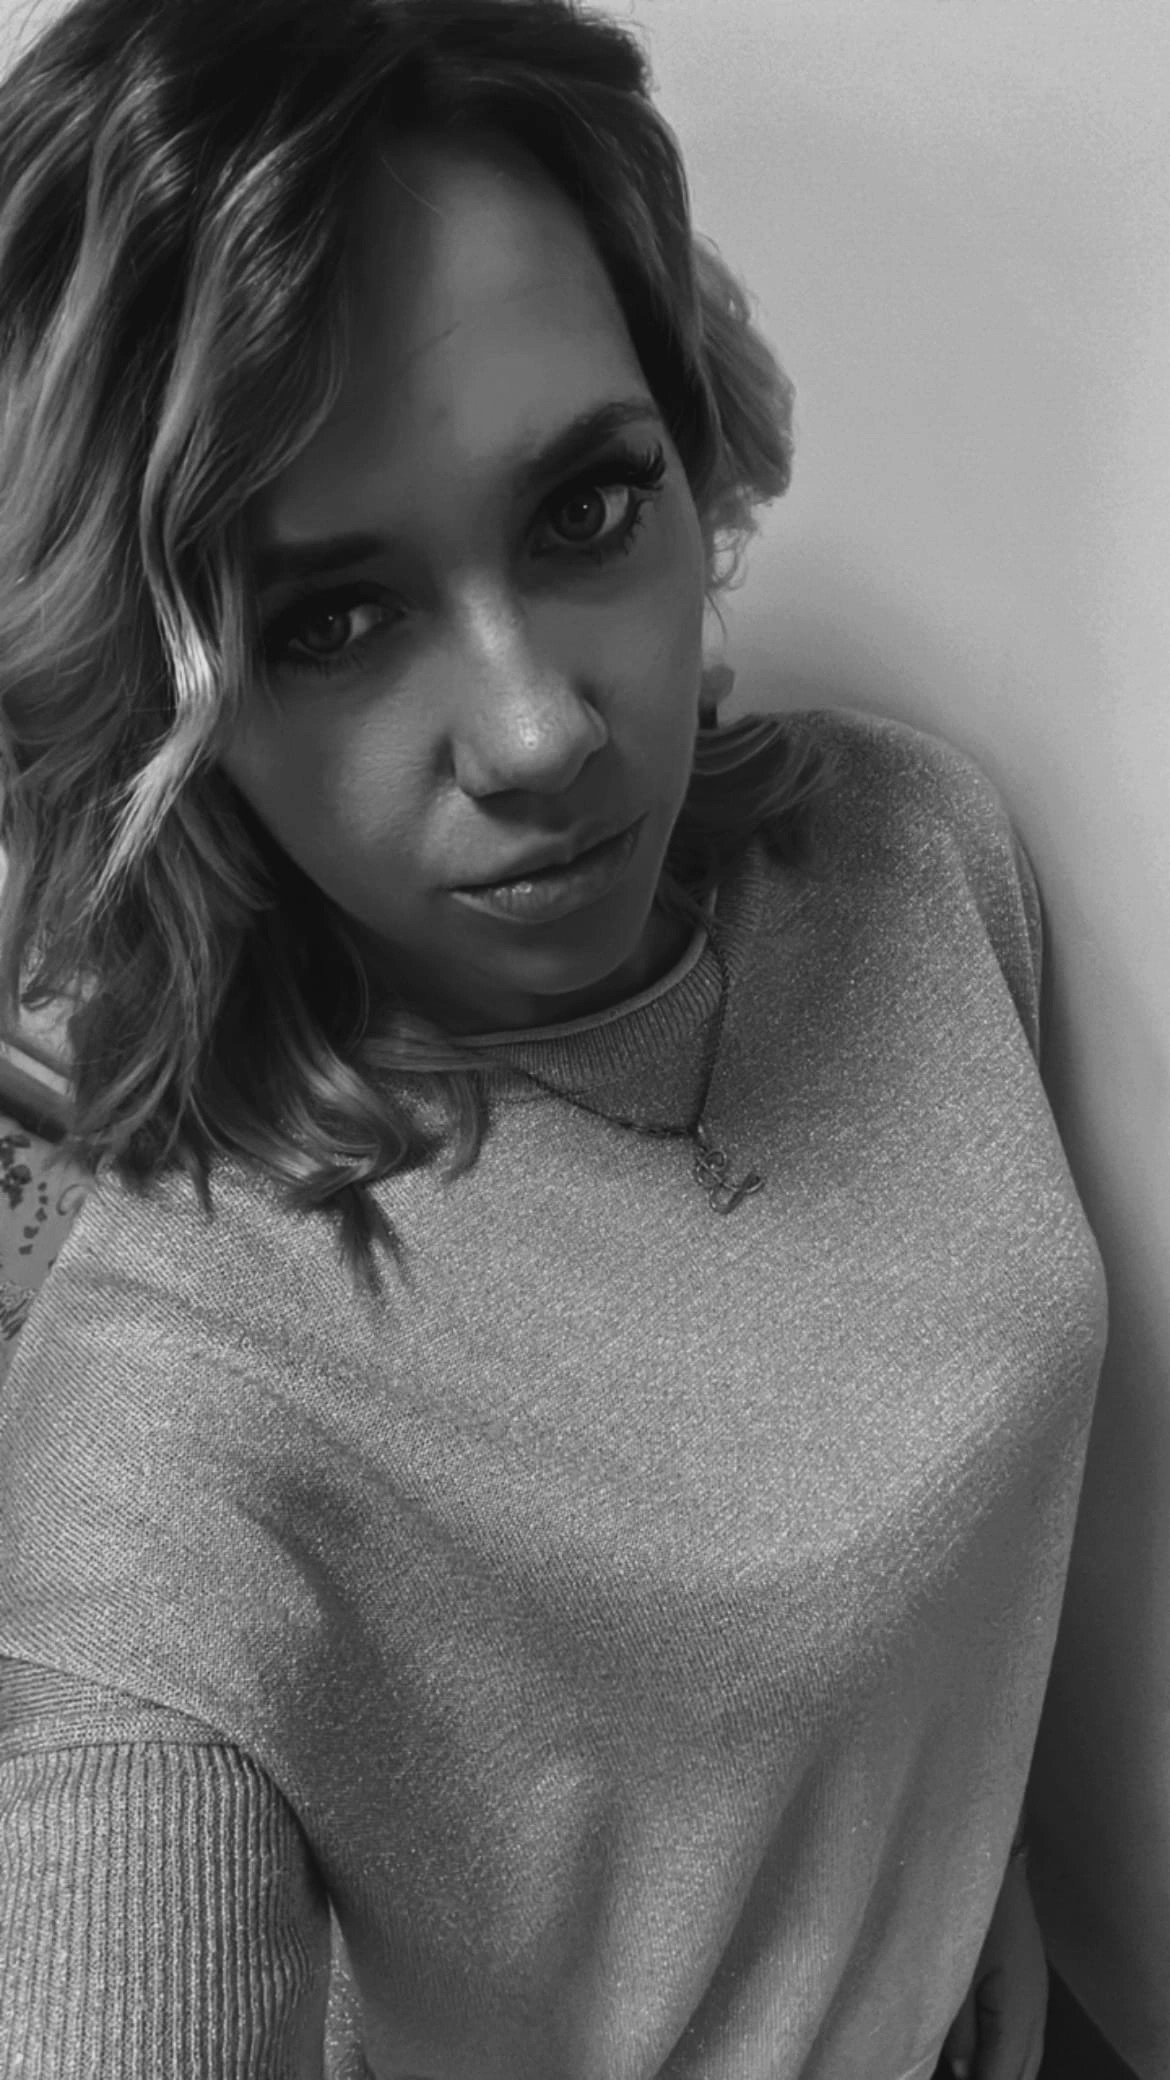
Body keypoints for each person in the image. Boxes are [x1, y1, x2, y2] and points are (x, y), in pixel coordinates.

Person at [0, 2, 1109, 2077]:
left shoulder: (916, 858)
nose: (535, 732)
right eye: (328, 620)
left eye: (587, 505)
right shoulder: (174, 1418)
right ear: (166, 703)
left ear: (691, 442)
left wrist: (988, 1911)